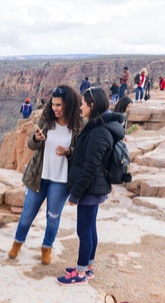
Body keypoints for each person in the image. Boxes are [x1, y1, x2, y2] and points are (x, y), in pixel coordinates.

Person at [57, 87, 125, 285]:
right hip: (94, 188)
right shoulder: (99, 127)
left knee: (84, 231)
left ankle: (79, 273)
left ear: (92, 106)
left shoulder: (99, 132)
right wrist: (71, 152)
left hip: (90, 189)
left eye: (83, 103)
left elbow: (90, 167)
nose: (80, 107)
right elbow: (86, 156)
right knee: (90, 229)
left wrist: (75, 194)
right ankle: (88, 267)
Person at [8, 85, 83, 265]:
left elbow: (81, 151)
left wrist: (69, 151)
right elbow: (31, 146)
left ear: (69, 105)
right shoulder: (46, 120)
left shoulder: (78, 125)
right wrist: (36, 139)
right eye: (54, 104)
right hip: (39, 176)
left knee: (53, 217)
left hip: (61, 180)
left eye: (59, 105)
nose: (55, 108)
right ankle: (18, 243)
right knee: (27, 214)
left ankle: (46, 247)